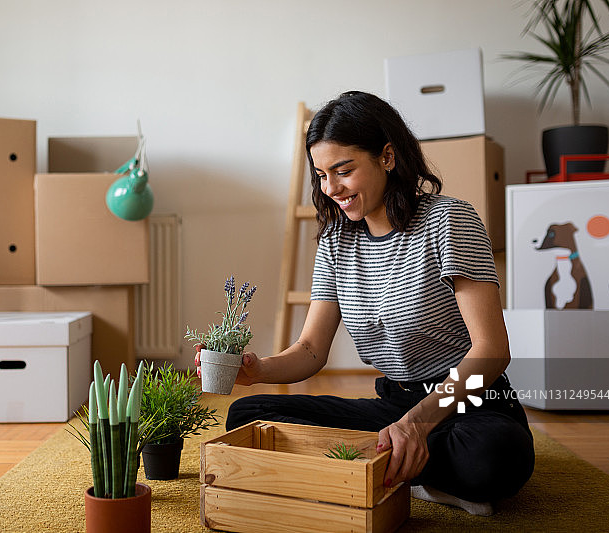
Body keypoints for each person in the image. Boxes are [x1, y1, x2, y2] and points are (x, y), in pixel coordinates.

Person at [194, 91, 534, 516]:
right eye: (321, 175)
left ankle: (373, 466)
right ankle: (402, 469)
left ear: (387, 157)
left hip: (466, 403)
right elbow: (311, 349)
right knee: (250, 415)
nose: (331, 188)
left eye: (343, 171)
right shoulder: (336, 241)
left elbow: (492, 350)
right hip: (395, 403)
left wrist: (418, 423)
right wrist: (258, 369)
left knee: (493, 456)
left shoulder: (450, 220)